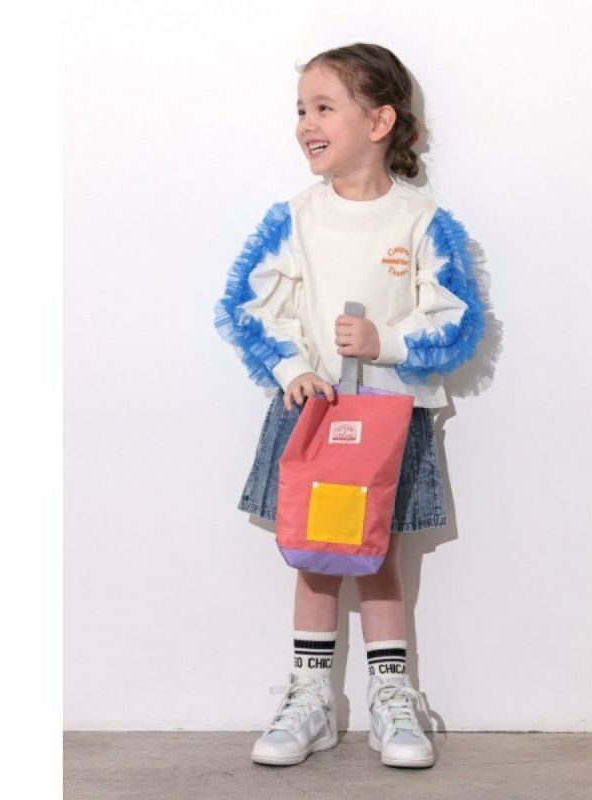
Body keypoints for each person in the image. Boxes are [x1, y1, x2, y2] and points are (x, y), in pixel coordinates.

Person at [213, 43, 487, 769]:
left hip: (389, 422)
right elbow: (254, 305)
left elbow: (454, 317)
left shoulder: (420, 221)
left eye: (324, 107)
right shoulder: (297, 217)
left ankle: (392, 698)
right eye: (301, 109)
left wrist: (385, 341)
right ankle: (310, 699)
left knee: (378, 557)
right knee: (315, 560)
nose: (306, 122)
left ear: (379, 121)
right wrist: (295, 368)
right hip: (315, 418)